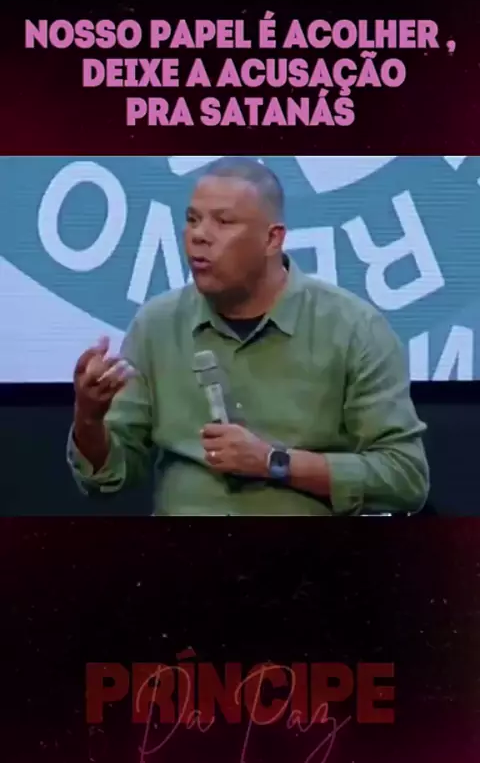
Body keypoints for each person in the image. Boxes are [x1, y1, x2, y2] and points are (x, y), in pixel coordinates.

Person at [67, 157, 429, 516]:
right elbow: (108, 478)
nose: (199, 235)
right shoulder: (156, 325)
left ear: (272, 239)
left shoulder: (353, 328)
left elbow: (404, 478)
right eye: (192, 219)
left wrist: (275, 462)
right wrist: (88, 419)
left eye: (223, 221)